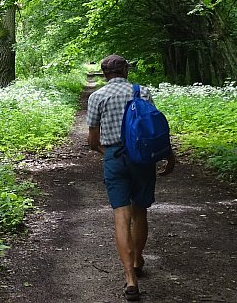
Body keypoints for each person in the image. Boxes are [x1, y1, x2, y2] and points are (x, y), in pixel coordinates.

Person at [86, 55, 177, 301]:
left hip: (115, 157)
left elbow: (93, 140)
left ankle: (130, 279)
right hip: (143, 158)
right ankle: (138, 260)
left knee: (121, 215)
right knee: (140, 211)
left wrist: (110, 153)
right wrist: (168, 155)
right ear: (125, 70)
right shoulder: (142, 92)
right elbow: (153, 128)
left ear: (104, 74)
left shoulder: (97, 97)